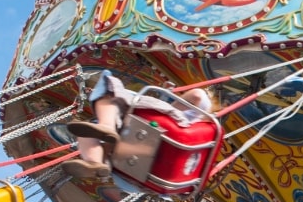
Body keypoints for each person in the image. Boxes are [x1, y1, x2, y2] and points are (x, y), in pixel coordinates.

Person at [63, 70, 216, 179]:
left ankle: (107, 129)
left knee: (108, 83)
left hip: (155, 127)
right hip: (146, 146)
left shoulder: (197, 115)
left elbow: (197, 95)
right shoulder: (199, 126)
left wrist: (173, 98)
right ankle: (95, 163)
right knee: (85, 131)